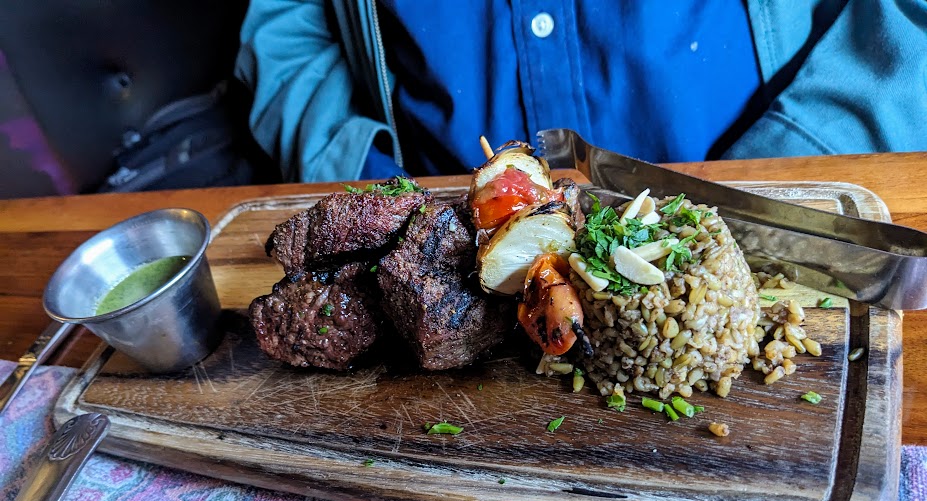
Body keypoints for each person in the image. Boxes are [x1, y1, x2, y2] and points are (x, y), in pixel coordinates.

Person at [234, 0, 927, 184]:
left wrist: (796, 169)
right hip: (446, 242)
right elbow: (288, 21)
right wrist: (362, 176)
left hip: (783, 220)